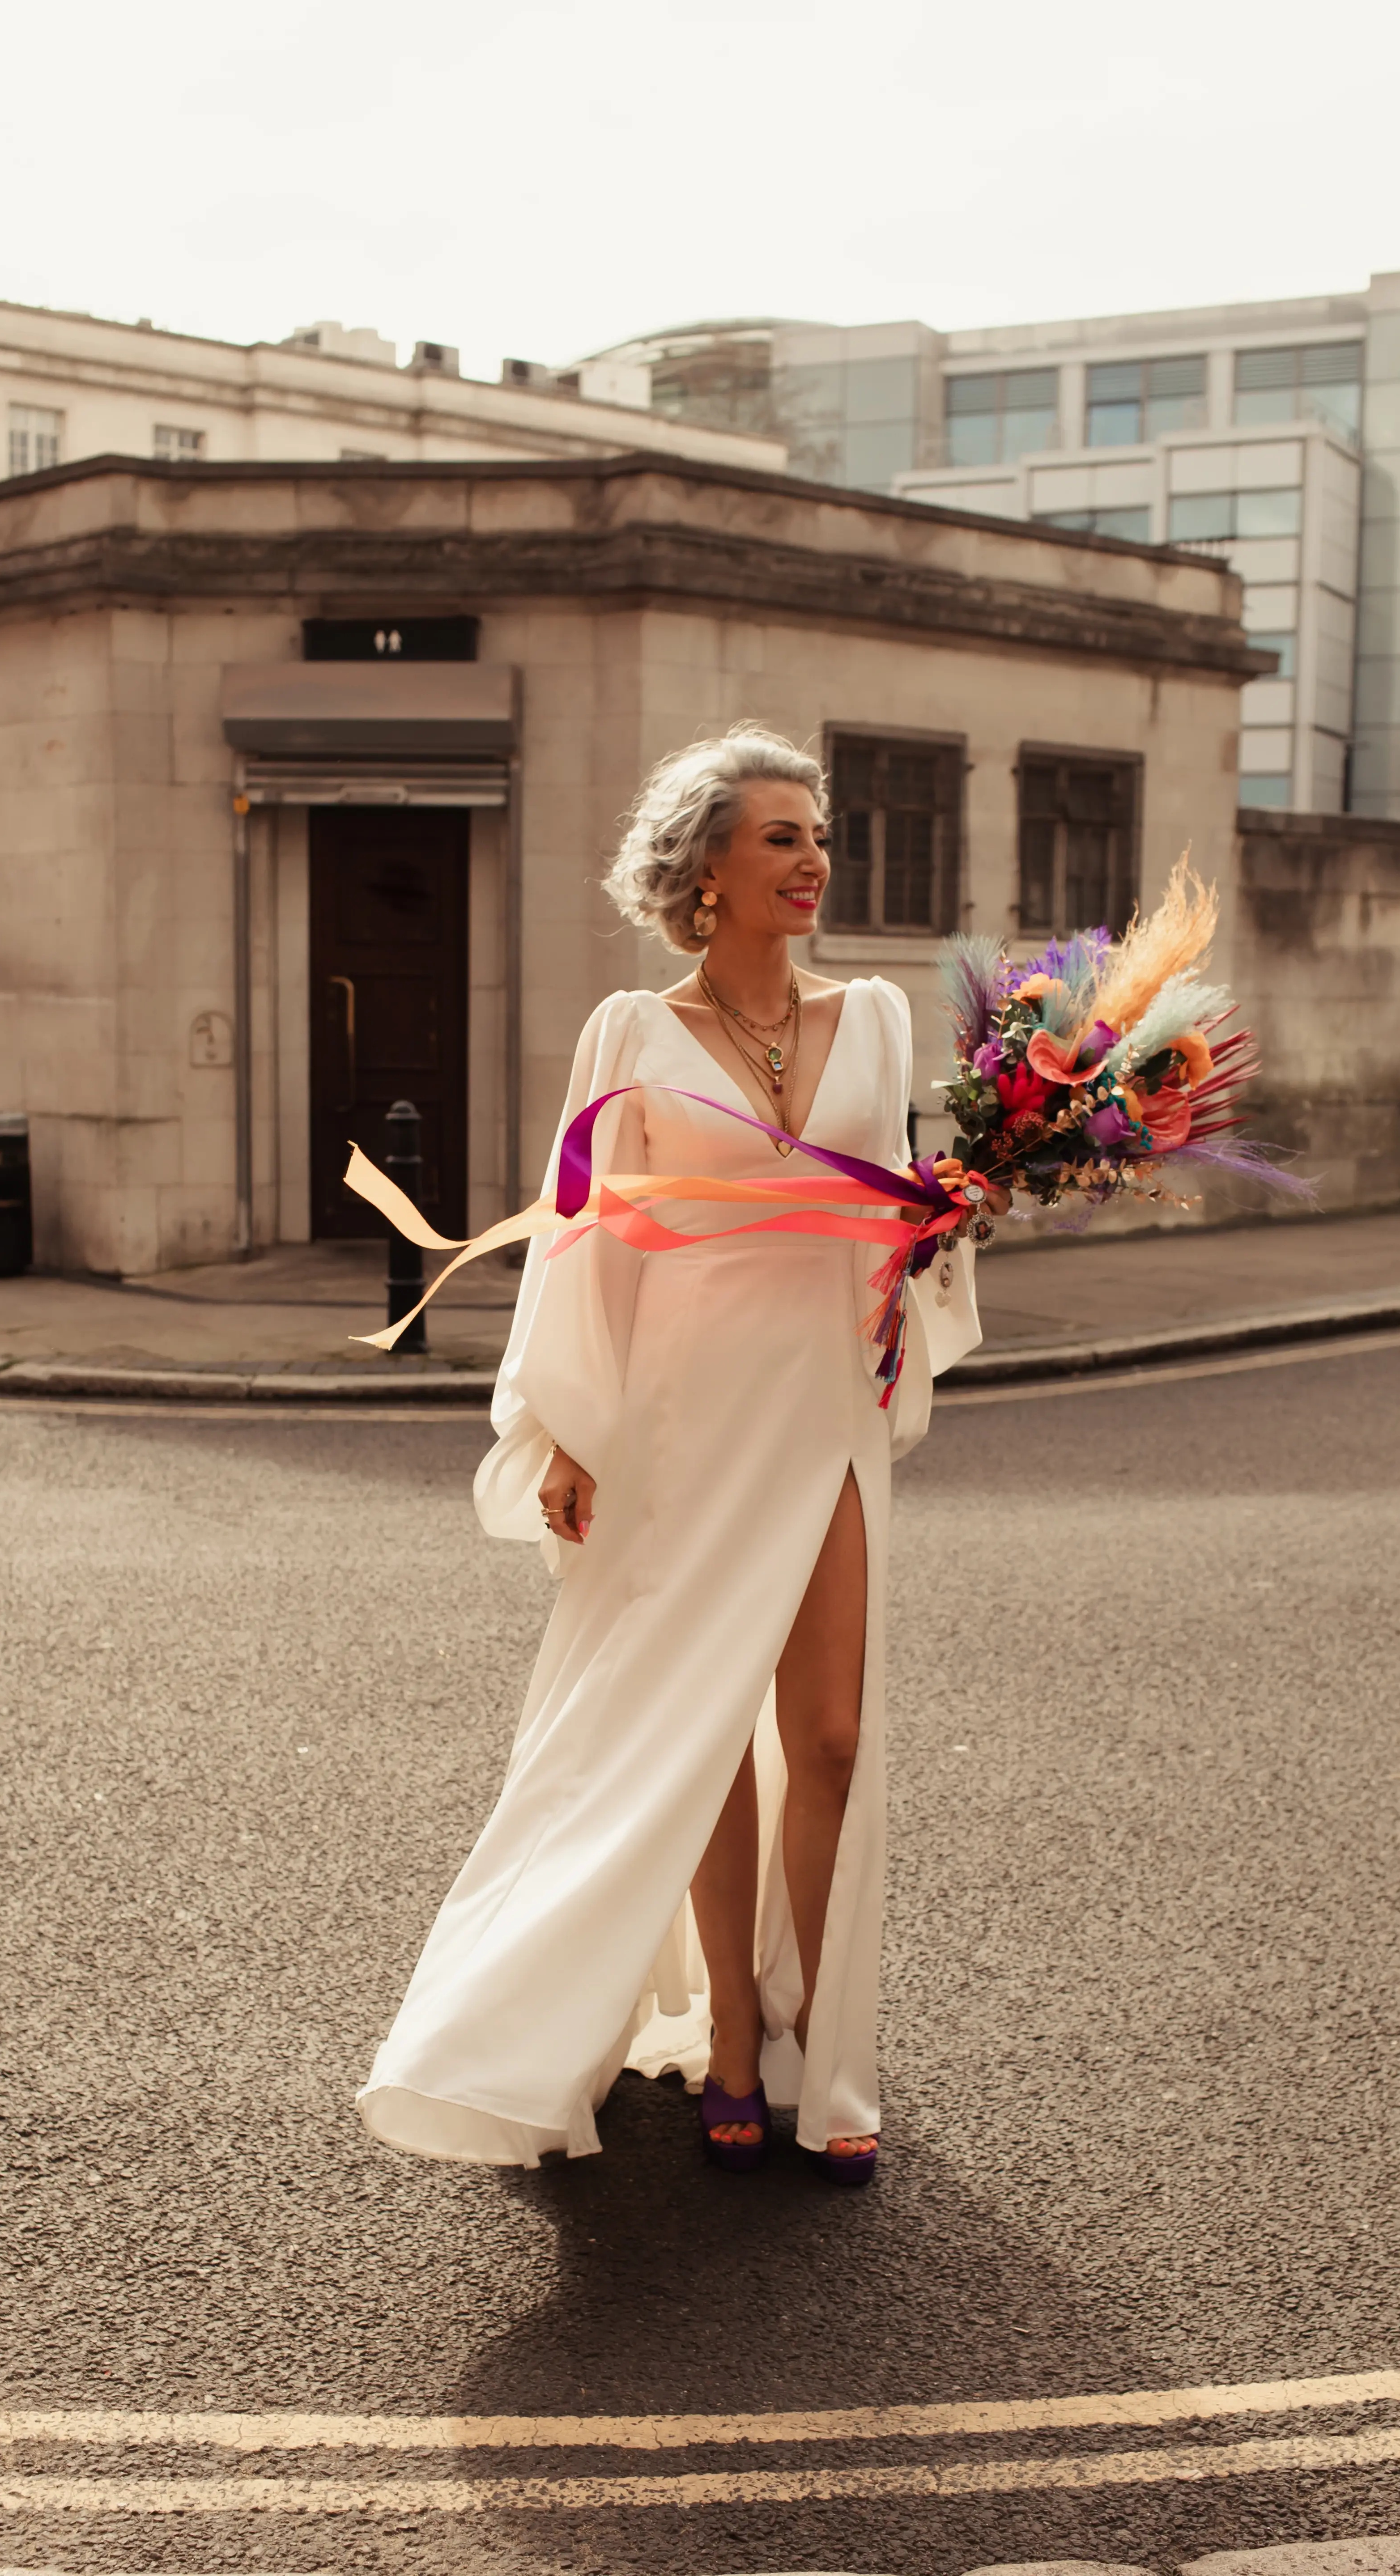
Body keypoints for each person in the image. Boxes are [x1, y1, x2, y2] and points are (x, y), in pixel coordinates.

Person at [357, 726, 987, 2185]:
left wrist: (942, 1235)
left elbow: (897, 1216)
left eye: (816, 833)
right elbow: (581, 1239)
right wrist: (570, 1424)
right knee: (707, 1736)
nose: (813, 857)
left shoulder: (879, 1021)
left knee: (830, 1736)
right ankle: (723, 2050)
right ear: (705, 870)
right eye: (780, 836)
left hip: (823, 1410)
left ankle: (822, 2042)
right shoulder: (629, 1036)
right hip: (683, 1420)